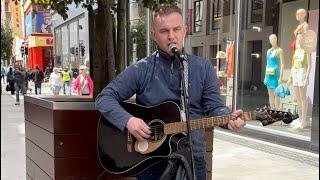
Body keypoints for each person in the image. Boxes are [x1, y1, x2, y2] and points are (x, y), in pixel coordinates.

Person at [95, 3, 245, 180]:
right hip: (150, 161)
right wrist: (129, 121)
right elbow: (104, 98)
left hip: (192, 159)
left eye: (176, 29)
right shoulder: (142, 69)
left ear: (185, 31)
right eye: (164, 31)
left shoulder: (203, 68)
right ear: (154, 35)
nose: (171, 36)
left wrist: (228, 119)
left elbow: (214, 106)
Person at [287, 8, 311, 129]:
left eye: (299, 13)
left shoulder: (305, 26)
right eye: (296, 13)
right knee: (297, 96)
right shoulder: (299, 26)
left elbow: (306, 40)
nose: (297, 15)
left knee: (302, 97)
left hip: (302, 66)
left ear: (304, 14)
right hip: (297, 60)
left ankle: (304, 120)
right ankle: (300, 119)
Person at [264, 34, 284, 109]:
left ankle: (277, 110)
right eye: (271, 39)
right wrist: (265, 77)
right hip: (269, 74)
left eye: (274, 38)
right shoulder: (268, 51)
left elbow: (282, 64)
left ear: (276, 39)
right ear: (269, 41)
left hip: (276, 75)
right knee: (270, 94)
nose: (273, 40)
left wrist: (281, 77)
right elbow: (267, 64)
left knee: (277, 94)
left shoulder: (279, 50)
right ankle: (272, 109)